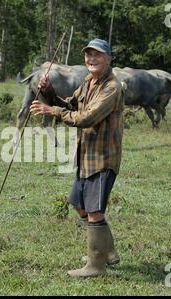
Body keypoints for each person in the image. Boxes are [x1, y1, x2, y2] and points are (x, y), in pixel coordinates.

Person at [30, 38, 124, 278]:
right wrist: (50, 93)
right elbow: (69, 105)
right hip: (86, 156)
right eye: (88, 55)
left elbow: (86, 118)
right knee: (78, 204)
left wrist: (52, 111)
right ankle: (107, 252)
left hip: (102, 158)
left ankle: (95, 266)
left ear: (108, 58)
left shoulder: (111, 87)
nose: (91, 59)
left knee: (94, 211)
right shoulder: (88, 82)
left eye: (97, 55)